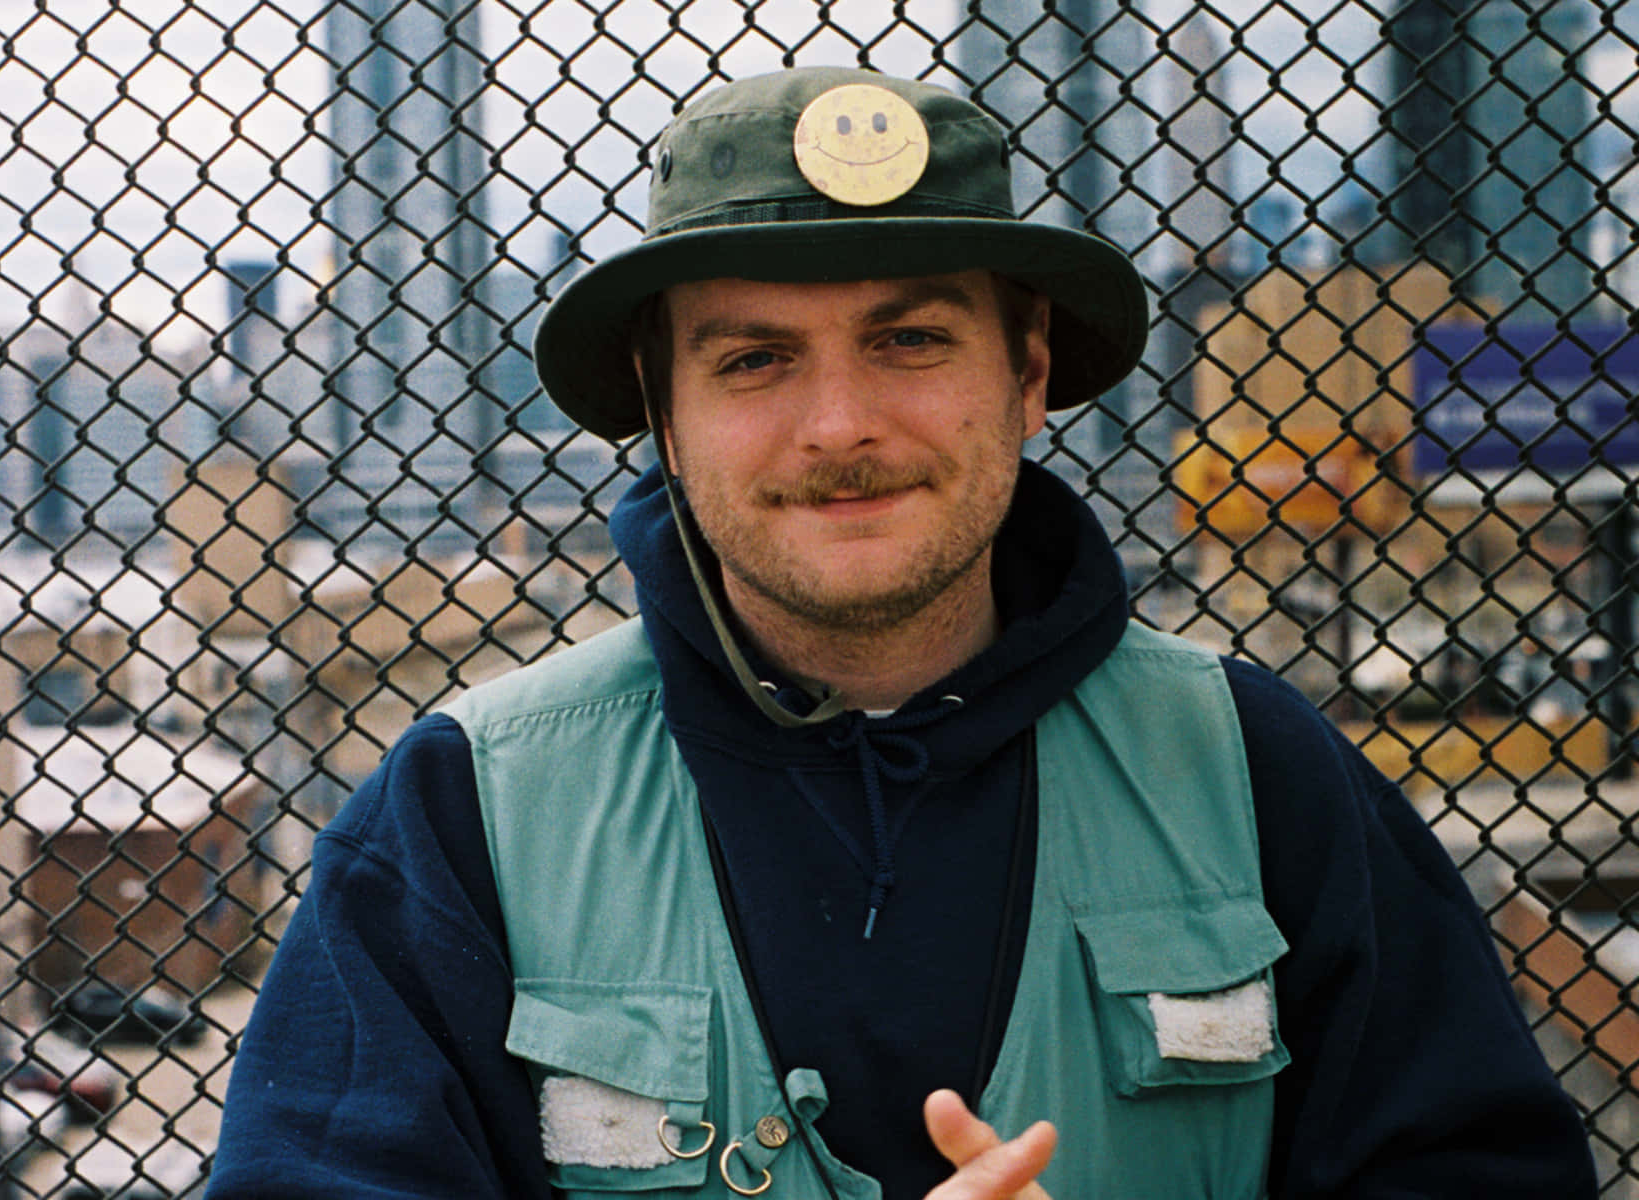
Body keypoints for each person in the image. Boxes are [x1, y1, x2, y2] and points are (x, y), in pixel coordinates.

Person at [209, 68, 1596, 1199]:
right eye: (754, 359)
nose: (840, 426)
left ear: (1032, 371)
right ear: (663, 411)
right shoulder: (469, 808)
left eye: (912, 341)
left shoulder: (1257, 773)